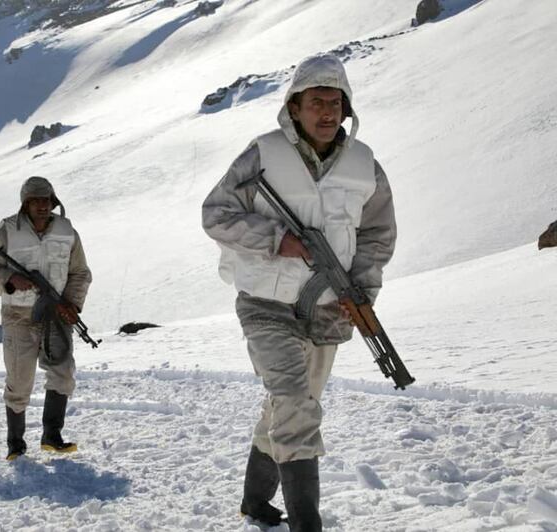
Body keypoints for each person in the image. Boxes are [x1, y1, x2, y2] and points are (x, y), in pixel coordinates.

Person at [201, 53, 397, 530]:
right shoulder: (263, 154)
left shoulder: (364, 163)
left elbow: (377, 234)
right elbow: (216, 214)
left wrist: (363, 289)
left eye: (336, 103)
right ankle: (307, 524)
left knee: (294, 403)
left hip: (329, 307)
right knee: (293, 402)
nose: (327, 112)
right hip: (265, 304)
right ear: (294, 107)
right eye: (316, 102)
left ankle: (254, 499)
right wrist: (275, 240)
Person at [0, 176, 92, 460]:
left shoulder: (67, 231)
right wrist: (10, 278)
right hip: (18, 315)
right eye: (35, 201)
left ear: (54, 202)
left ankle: (52, 436)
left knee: (63, 373)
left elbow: (80, 273)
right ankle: (15, 444)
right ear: (25, 204)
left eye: (46, 200)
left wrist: (72, 305)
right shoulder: (7, 230)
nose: (42, 206)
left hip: (56, 313)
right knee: (20, 380)